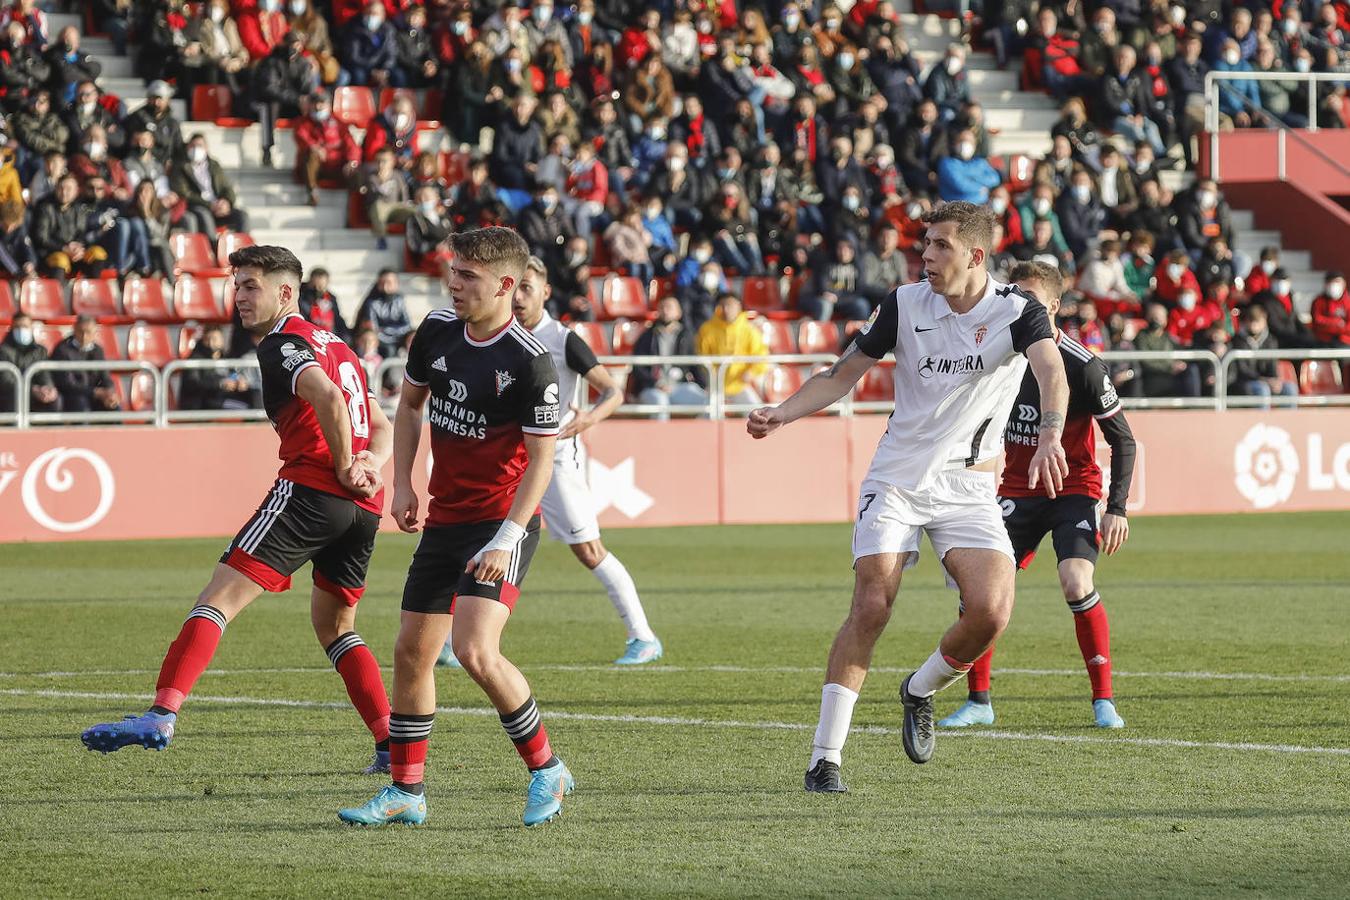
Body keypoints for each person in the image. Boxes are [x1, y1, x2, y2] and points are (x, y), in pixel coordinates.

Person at [746, 202, 1068, 791]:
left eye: (940, 245)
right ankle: (825, 759)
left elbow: (1051, 370)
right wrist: (782, 413)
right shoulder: (903, 302)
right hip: (896, 477)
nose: (926, 255)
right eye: (925, 244)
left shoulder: (1016, 310)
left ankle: (918, 689)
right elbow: (842, 374)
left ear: (975, 255)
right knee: (872, 604)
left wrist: (1049, 434)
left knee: (992, 612)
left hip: (968, 486)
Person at [80, 245, 396, 775]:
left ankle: (162, 713)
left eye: (252, 285)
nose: (240, 296)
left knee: (218, 599)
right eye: (238, 285)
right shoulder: (339, 344)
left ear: (286, 292)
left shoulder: (285, 342)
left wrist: (344, 465)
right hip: (363, 509)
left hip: (312, 491)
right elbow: (381, 426)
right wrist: (371, 465)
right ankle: (390, 744)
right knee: (337, 626)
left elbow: (329, 401)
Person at [339, 227, 573, 829]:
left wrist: (506, 539)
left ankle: (546, 768)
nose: (454, 283)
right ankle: (406, 792)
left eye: (467, 275)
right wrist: (407, 482)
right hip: (444, 517)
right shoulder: (437, 333)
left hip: (501, 522)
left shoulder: (530, 361)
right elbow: (411, 405)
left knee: (473, 649)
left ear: (505, 285)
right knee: (413, 652)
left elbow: (542, 461)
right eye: (453, 271)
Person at [938, 261, 1135, 731]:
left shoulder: (1083, 366)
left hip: (1073, 490)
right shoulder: (998, 353)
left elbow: (1122, 439)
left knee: (1075, 582)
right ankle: (979, 701)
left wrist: (1117, 509)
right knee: (981, 590)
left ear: (1051, 306)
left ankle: (1103, 701)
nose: (1015, 304)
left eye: (1026, 296)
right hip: (1013, 492)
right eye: (1012, 294)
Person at [444, 255, 661, 665]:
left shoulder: (562, 339)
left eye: (529, 288)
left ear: (545, 292)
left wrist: (589, 418)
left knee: (589, 550)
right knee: (476, 537)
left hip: (556, 458)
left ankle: (643, 636)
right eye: (516, 287)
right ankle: (453, 642)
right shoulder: (494, 335)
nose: (520, 296)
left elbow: (612, 390)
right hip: (507, 459)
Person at [631, 296, 708, 415]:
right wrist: (656, 383)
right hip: (652, 388)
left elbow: (695, 365)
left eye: (669, 307)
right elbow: (638, 368)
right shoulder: (647, 336)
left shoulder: (687, 337)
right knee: (661, 403)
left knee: (708, 402)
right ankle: (660, 434)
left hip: (678, 387)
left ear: (679, 312)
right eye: (662, 307)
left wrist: (705, 386)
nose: (665, 310)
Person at [697, 293, 768, 404]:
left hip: (739, 384)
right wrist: (707, 379)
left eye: (730, 305)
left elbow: (761, 355)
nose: (726, 309)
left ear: (738, 306)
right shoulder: (707, 329)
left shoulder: (749, 330)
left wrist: (752, 372)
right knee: (707, 414)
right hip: (714, 385)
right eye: (722, 305)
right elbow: (701, 357)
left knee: (756, 413)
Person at [171, 133, 248, 234]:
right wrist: (209, 205)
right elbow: (184, 193)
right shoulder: (180, 167)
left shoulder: (214, 165)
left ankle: (244, 248)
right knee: (205, 215)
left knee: (241, 215)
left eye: (200, 146)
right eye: (193, 146)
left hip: (218, 206)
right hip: (198, 206)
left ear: (206, 148)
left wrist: (226, 202)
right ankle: (213, 247)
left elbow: (226, 187)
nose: (196, 149)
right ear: (188, 148)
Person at [1228, 305, 1298, 408]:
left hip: (1265, 381)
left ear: (1264, 322)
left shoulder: (1270, 341)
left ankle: (1288, 422)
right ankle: (1262, 422)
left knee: (1290, 388)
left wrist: (1274, 381)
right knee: (1262, 389)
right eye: (1251, 320)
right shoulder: (1237, 341)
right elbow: (1242, 371)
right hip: (1243, 383)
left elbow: (1272, 365)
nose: (1254, 324)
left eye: (1257, 321)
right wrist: (1264, 380)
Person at [178, 323, 258, 411]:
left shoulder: (227, 359)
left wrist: (239, 382)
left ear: (222, 340)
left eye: (215, 339)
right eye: (208, 339)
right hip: (203, 404)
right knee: (246, 410)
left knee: (255, 401)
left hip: (224, 398)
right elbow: (193, 383)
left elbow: (233, 375)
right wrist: (220, 384)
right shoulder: (195, 359)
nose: (211, 343)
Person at [50, 315, 120, 414]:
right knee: (80, 405)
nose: (84, 336)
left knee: (113, 406)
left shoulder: (98, 350)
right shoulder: (62, 349)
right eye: (81, 332)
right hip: (72, 395)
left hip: (94, 394)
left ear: (95, 332)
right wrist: (95, 392)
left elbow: (105, 376)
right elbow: (66, 384)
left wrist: (109, 392)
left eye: (88, 332)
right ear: (74, 329)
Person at [0, 312, 58, 413]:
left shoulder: (40, 351)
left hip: (36, 393)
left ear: (31, 328)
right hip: (12, 394)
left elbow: (44, 374)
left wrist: (47, 387)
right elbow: (6, 381)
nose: (22, 330)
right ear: (12, 328)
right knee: (14, 397)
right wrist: (32, 390)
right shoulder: (3, 350)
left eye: (25, 326)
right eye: (18, 327)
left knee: (55, 399)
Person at [356, 268, 412, 358]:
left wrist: (386, 330)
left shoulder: (399, 300)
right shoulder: (371, 303)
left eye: (389, 283)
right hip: (380, 340)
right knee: (390, 350)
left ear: (396, 284)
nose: (385, 287)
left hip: (399, 338)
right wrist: (393, 332)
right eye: (382, 283)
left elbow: (407, 325)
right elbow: (374, 330)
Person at [298, 267, 349, 342]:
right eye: (315, 286)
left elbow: (337, 318)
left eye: (321, 286)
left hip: (330, 335)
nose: (318, 289)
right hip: (311, 334)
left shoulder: (331, 298)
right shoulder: (301, 298)